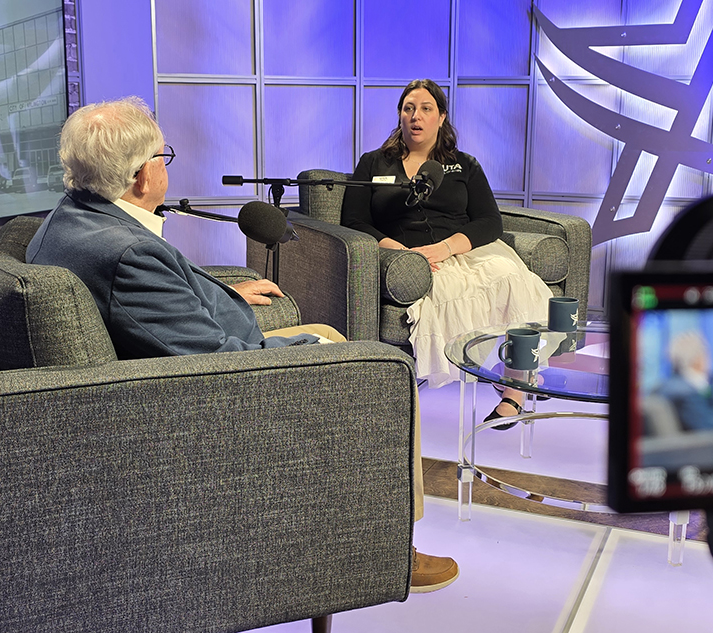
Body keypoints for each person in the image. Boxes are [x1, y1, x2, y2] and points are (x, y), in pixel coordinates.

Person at [25, 97, 458, 593]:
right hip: (213, 394)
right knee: (380, 368)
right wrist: (302, 347)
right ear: (143, 177)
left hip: (197, 354)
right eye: (162, 157)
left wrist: (223, 291)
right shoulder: (130, 256)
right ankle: (390, 546)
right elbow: (221, 363)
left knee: (333, 336)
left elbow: (154, 307)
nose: (165, 168)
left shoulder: (74, 216)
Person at [341, 79, 554, 427]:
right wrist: (402, 254)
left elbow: (490, 221)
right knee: (443, 292)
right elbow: (354, 221)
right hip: (409, 258)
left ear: (441, 117)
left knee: (513, 279)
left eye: (426, 108)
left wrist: (445, 248)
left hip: (462, 250)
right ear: (400, 115)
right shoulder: (373, 164)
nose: (416, 116)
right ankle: (493, 371)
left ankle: (514, 390)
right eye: (409, 108)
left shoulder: (464, 165)